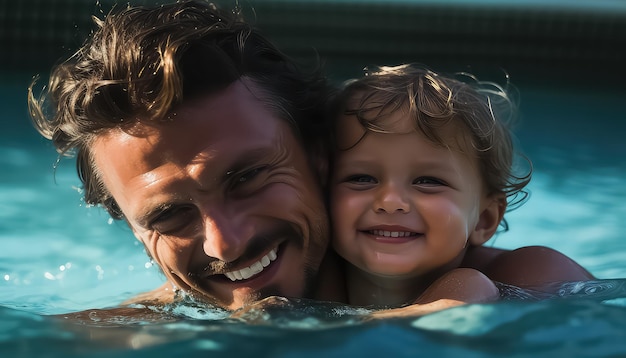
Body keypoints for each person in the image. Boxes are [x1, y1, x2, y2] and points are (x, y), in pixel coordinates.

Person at [28, 0, 593, 318]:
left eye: (247, 176)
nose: (225, 245)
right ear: (131, 230)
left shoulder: (530, 287)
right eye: (167, 215)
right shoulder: (128, 326)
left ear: (320, 154)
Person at [327, 64, 595, 316]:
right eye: (361, 178)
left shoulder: (538, 277)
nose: (390, 201)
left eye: (428, 181)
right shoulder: (301, 279)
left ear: (484, 219)